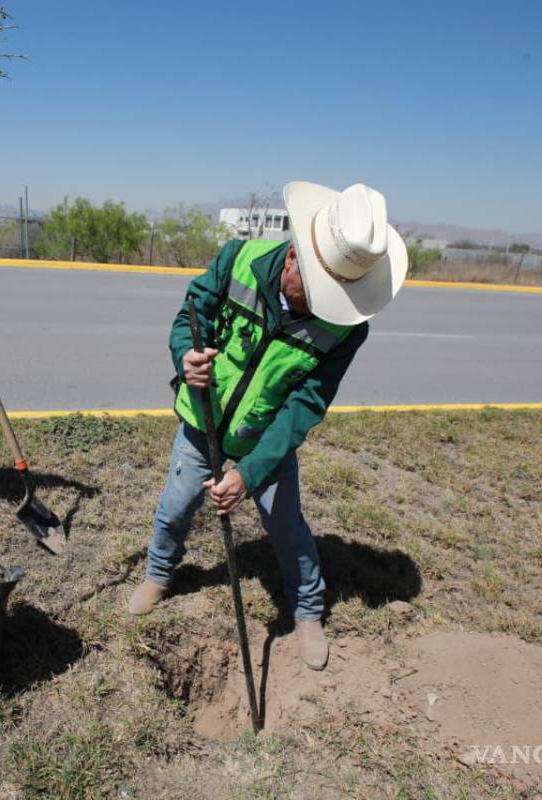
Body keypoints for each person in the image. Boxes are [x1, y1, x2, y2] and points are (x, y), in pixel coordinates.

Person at [127, 181, 409, 670]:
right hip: (204, 419)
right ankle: (158, 573)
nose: (324, 307)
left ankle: (306, 610)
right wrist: (186, 356)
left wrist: (250, 472)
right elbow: (190, 314)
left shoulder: (347, 329)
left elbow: (305, 404)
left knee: (286, 526)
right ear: (295, 257)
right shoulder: (238, 259)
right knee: (175, 506)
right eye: (320, 292)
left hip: (266, 438)